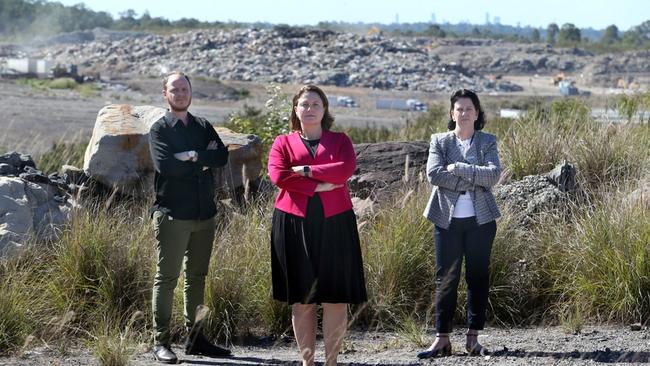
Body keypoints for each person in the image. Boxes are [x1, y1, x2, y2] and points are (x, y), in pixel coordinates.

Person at [268, 85, 367, 366]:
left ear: (324, 110)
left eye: (315, 104)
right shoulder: (282, 142)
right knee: (303, 299)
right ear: (295, 110)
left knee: (336, 298)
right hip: (293, 223)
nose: (309, 108)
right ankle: (307, 363)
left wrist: (308, 171)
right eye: (304, 104)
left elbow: (345, 169)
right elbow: (279, 176)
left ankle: (332, 362)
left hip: (335, 223)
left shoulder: (340, 140)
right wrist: (321, 187)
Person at [149, 71, 231, 364]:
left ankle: (196, 338)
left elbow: (221, 156)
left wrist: (192, 155)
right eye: (175, 89)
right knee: (167, 278)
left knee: (197, 278)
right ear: (165, 94)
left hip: (203, 214)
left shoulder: (202, 125)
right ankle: (160, 342)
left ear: (191, 92)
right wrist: (201, 161)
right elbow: (166, 166)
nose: (181, 93)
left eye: (184, 88)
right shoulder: (159, 130)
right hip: (173, 214)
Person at [418, 88, 501, 359]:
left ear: (477, 114)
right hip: (446, 220)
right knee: (446, 278)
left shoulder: (487, 141)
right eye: (459, 109)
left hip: (481, 221)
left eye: (469, 109)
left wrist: (457, 168)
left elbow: (493, 176)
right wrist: (472, 177)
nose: (464, 113)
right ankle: (442, 339)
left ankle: (472, 338)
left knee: (477, 277)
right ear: (452, 113)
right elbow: (433, 174)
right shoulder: (440, 141)